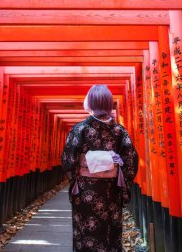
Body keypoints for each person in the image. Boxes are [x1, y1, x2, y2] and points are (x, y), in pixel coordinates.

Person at [61, 84, 139, 252]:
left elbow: (68, 160)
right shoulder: (119, 131)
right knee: (110, 234)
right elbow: (131, 161)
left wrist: (76, 179)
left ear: (89, 103)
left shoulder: (79, 129)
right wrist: (122, 184)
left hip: (85, 191)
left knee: (86, 233)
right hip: (111, 192)